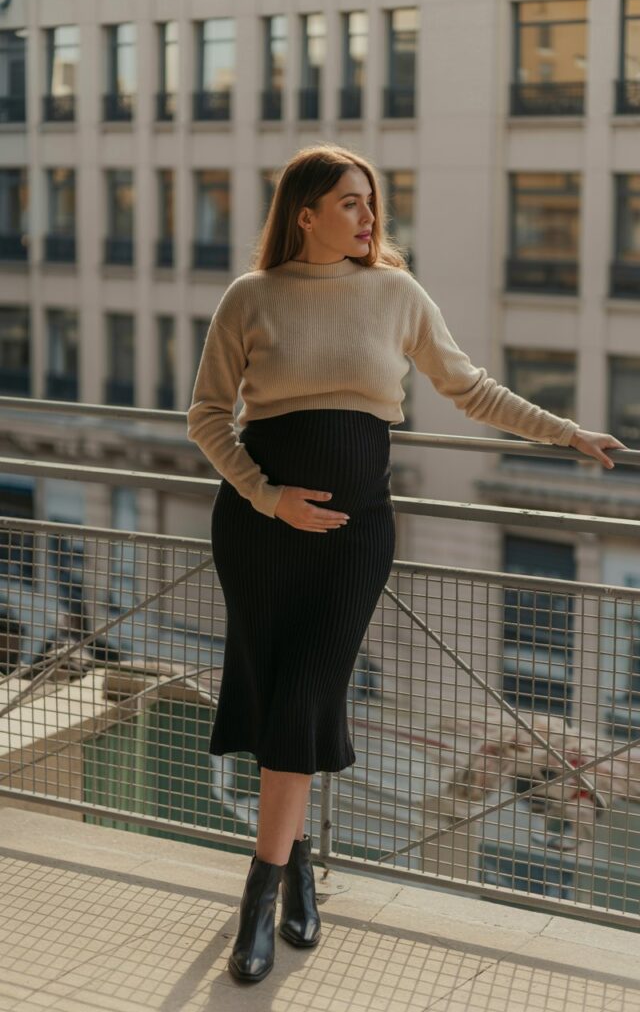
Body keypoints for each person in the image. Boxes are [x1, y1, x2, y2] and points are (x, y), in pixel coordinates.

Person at [187, 143, 626, 984]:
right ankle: (297, 871)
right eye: (349, 203)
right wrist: (265, 494)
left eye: (371, 202)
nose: (368, 217)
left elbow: (471, 388)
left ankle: (257, 891)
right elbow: (207, 417)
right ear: (304, 214)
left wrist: (566, 433)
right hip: (261, 532)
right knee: (287, 701)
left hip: (355, 539)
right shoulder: (251, 297)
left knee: (307, 692)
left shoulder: (396, 293)